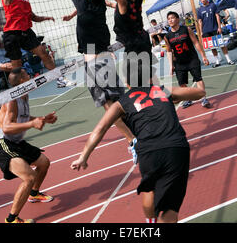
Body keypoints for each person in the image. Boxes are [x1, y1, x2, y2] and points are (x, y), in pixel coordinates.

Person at [71, 61, 206, 223]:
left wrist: (83, 157)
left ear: (126, 83)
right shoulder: (163, 91)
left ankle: (150, 223)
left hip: (148, 151)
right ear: (150, 77)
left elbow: (100, 129)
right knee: (170, 208)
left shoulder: (122, 102)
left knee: (149, 189)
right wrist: (174, 97)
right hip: (175, 147)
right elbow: (199, 93)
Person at [70, 0, 139, 164]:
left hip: (95, 61)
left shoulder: (83, 7)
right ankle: (140, 132)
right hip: (104, 57)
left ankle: (133, 140)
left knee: (110, 108)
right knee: (119, 102)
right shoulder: (99, 6)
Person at [0, 68, 56, 223]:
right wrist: (33, 124)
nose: (31, 76)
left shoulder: (24, 95)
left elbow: (23, 117)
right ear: (22, 80)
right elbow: (6, 127)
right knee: (29, 177)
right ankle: (11, 219)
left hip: (17, 142)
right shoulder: (11, 99)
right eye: (28, 75)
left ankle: (34, 194)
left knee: (44, 163)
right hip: (4, 144)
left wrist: (42, 119)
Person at [164, 11, 210, 109]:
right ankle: (188, 99)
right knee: (182, 83)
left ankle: (203, 98)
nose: (170, 20)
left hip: (192, 59)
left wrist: (203, 55)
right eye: (168, 19)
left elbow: (196, 42)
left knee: (198, 78)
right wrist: (171, 65)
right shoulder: (167, 36)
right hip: (179, 62)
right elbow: (169, 51)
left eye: (172, 18)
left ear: (177, 19)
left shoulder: (186, 29)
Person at [197, 0, 235, 68]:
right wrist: (201, 31)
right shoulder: (200, 10)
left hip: (215, 29)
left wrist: (219, 27)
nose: (202, 0)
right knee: (212, 46)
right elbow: (200, 21)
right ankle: (217, 61)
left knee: (221, 44)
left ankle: (228, 60)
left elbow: (217, 16)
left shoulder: (213, 6)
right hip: (206, 31)